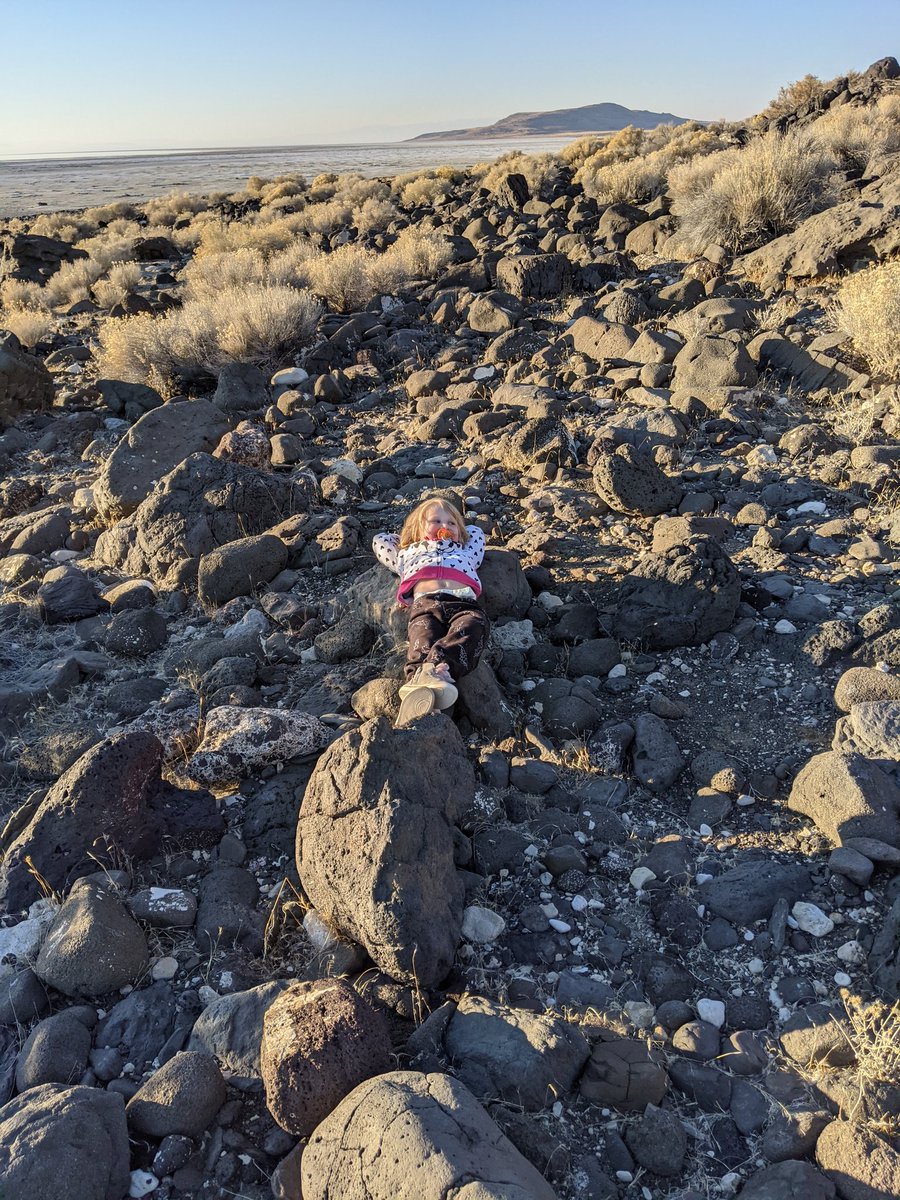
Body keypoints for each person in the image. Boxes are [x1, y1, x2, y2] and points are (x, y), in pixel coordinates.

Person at [372, 495, 490, 725]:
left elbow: (476, 533)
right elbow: (380, 540)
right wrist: (410, 536)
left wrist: (459, 533)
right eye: (436, 521)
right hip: (425, 603)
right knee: (421, 639)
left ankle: (438, 670)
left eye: (451, 523)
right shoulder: (408, 553)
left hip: (463, 603)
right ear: (419, 527)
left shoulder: (466, 551)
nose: (445, 526)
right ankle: (419, 678)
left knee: (473, 627)